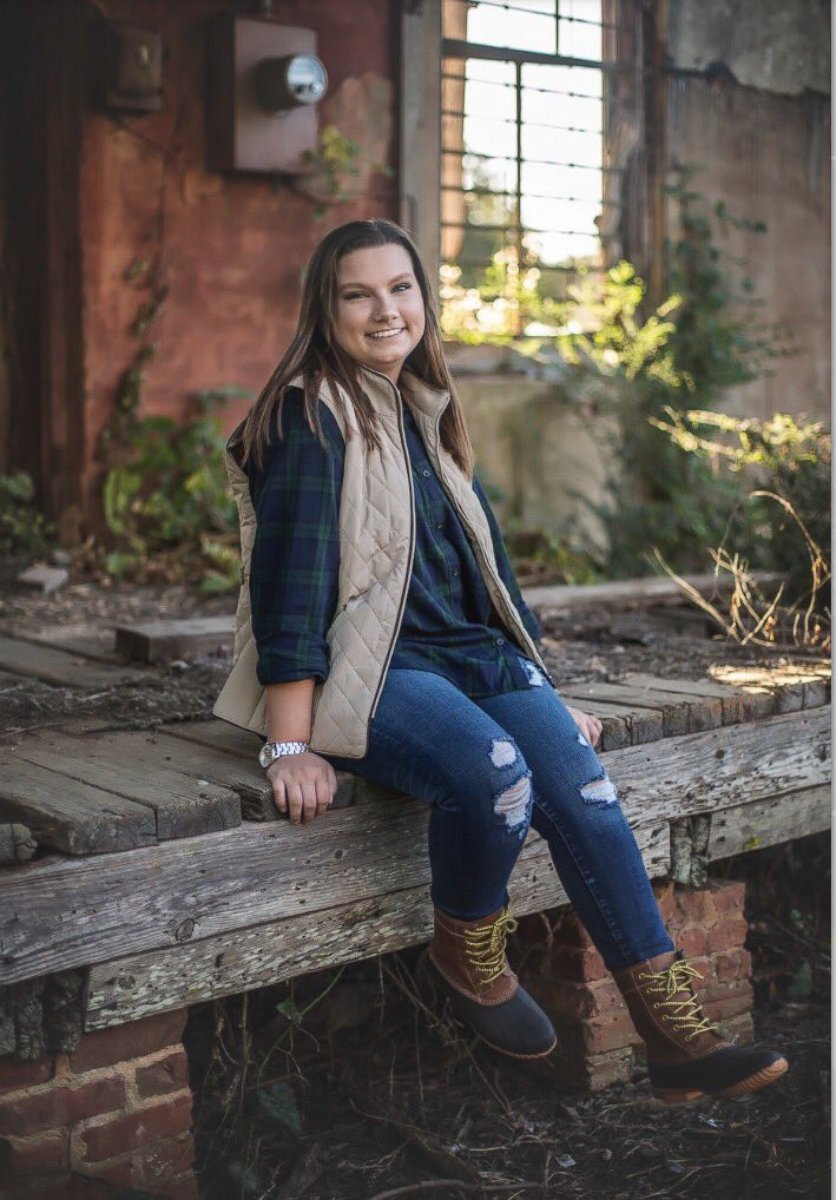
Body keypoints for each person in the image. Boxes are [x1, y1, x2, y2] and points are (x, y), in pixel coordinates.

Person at [213, 218, 787, 1103]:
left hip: (474, 658)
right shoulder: (308, 411)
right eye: (357, 294)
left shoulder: (426, 405)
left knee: (586, 790)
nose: (384, 310)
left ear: (423, 299)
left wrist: (544, 691)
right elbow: (288, 583)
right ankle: (466, 945)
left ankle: (677, 1036)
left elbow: (489, 573)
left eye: (400, 289)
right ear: (324, 312)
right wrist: (291, 742)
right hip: (374, 671)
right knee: (497, 776)